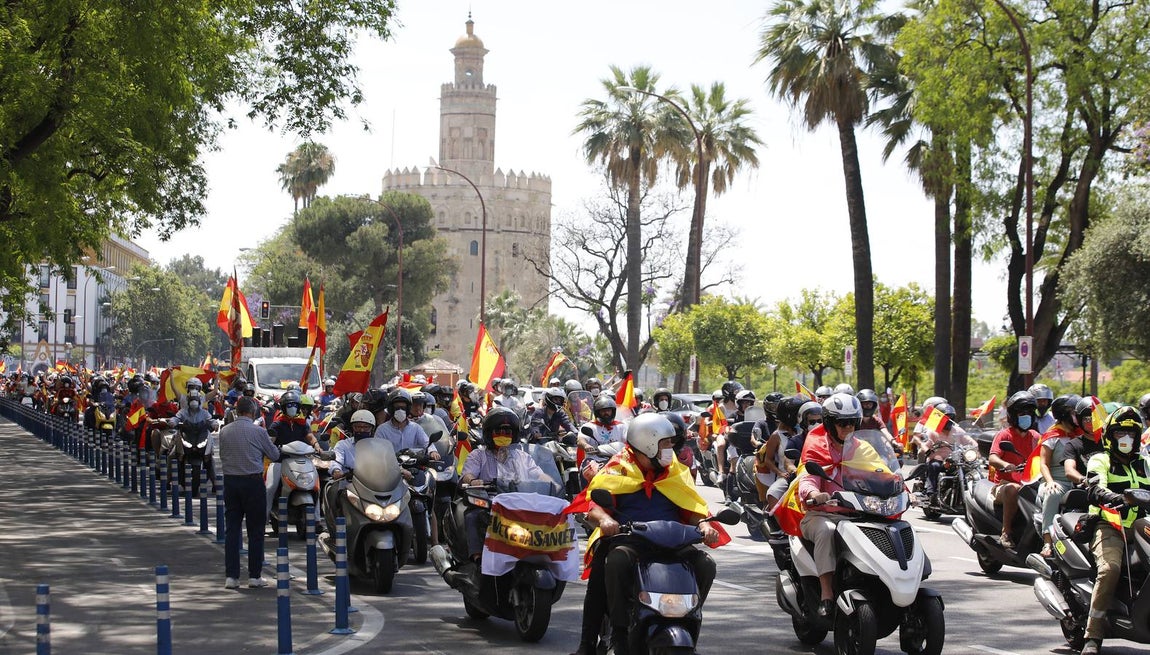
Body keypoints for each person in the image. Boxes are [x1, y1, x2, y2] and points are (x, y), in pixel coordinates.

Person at [572, 413, 722, 655]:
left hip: (672, 542)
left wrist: (705, 525)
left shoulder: (675, 470)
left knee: (706, 564)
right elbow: (594, 505)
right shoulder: (618, 468)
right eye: (666, 443)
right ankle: (607, 636)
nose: (671, 448)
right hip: (630, 540)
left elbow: (691, 507)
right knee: (611, 562)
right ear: (648, 443)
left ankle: (688, 617)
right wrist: (606, 520)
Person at [798, 393, 888, 618]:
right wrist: (814, 494)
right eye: (842, 423)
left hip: (858, 514)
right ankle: (827, 594)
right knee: (826, 531)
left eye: (852, 422)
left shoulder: (863, 448)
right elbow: (807, 478)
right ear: (830, 423)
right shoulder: (817, 446)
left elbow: (883, 473)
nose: (848, 427)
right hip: (822, 515)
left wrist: (903, 490)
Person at [1080, 407, 1150, 655]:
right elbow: (1094, 487)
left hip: (1142, 525)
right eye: (1120, 432)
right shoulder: (1101, 460)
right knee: (1110, 569)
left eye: (1131, 434)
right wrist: (1115, 498)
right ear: (1110, 436)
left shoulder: (1146, 463)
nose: (1126, 438)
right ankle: (1093, 635)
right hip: (1110, 525)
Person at [457, 408, 555, 567]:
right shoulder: (478, 455)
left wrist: (552, 483)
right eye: (498, 431)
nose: (503, 435)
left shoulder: (523, 457)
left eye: (508, 432)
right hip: (491, 503)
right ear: (489, 433)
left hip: (521, 502)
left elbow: (539, 474)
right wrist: (474, 481)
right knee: (473, 516)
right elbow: (467, 475)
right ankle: (478, 558)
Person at [218, 397, 282, 589]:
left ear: (237, 411)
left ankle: (231, 577)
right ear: (253, 412)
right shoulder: (259, 431)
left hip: (231, 482)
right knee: (255, 531)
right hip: (253, 482)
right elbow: (274, 455)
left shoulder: (224, 431)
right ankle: (254, 576)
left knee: (232, 530)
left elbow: (222, 455)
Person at [988, 391, 1041, 549]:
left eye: (1029, 413)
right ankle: (1006, 532)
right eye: (1022, 414)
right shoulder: (1004, 435)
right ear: (1013, 416)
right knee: (1013, 489)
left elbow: (1046, 455)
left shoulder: (1035, 437)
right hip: (1004, 485)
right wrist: (1005, 465)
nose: (1027, 417)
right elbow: (993, 458)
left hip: (1031, 484)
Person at [1037, 394, 1082, 558]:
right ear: (1064, 414)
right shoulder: (1052, 436)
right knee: (1053, 493)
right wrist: (1050, 482)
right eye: (1074, 412)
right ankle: (1047, 541)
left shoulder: (1080, 435)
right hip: (1057, 481)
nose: (1077, 416)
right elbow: (1043, 464)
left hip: (1078, 481)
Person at [921, 403, 977, 499]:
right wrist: (928, 450)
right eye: (946, 417)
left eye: (951, 417)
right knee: (934, 466)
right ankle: (931, 493)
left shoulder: (958, 431)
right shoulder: (932, 431)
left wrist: (976, 449)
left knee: (969, 468)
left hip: (955, 461)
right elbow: (924, 444)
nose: (948, 420)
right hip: (938, 460)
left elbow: (971, 442)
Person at [578, 396, 628, 479]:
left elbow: (629, 440)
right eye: (603, 411)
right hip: (595, 461)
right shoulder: (589, 426)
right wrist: (586, 445)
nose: (606, 413)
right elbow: (581, 440)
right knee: (589, 472)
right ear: (597, 412)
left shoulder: (621, 426)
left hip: (618, 461)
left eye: (608, 410)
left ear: (613, 411)